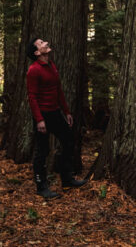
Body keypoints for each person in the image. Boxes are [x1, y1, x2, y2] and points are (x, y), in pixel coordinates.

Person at [26, 38, 85, 199]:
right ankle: (41, 186)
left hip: (55, 113)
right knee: (42, 151)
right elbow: (32, 97)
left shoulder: (51, 65)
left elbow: (58, 90)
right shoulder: (33, 70)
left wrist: (66, 112)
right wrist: (39, 120)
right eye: (40, 43)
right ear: (37, 52)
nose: (45, 43)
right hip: (42, 116)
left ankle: (67, 179)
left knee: (68, 141)